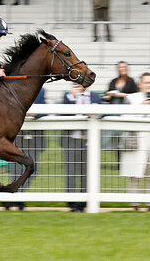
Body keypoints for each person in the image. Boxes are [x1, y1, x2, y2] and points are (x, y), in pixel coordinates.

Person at [120, 72, 150, 212]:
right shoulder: (131, 98)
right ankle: (134, 203)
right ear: (140, 85)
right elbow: (124, 118)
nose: (149, 85)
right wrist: (141, 107)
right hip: (137, 140)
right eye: (147, 83)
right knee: (135, 173)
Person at [62, 83, 101, 212]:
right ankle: (72, 202)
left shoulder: (95, 97)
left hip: (89, 141)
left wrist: (93, 114)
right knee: (70, 172)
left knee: (86, 173)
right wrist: (72, 97)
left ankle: (83, 203)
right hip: (72, 140)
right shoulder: (68, 97)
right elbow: (62, 115)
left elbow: (103, 113)